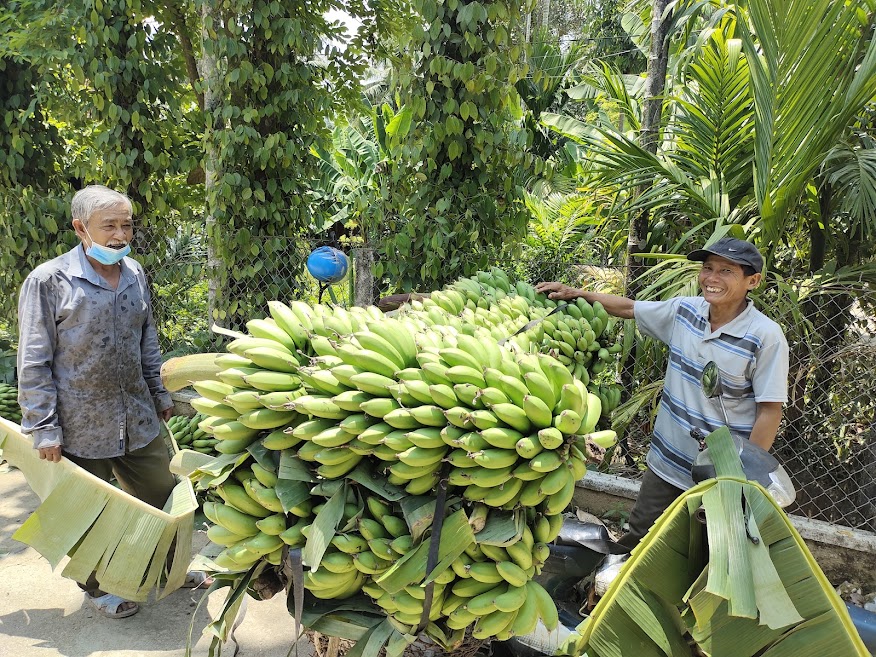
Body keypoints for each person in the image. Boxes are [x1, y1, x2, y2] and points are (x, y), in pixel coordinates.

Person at [16, 185, 209, 618]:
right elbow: (33, 361)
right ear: (81, 228)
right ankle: (100, 588)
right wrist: (44, 427)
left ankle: (165, 570)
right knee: (91, 512)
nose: (121, 235)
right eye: (110, 226)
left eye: (126, 225)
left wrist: (160, 393)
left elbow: (147, 340)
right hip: (79, 424)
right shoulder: (49, 281)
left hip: (136, 415)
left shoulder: (135, 272)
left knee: (164, 495)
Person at [536, 237, 789, 548]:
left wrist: (742, 480)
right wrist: (577, 294)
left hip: (718, 475)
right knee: (639, 540)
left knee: (703, 554)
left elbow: (769, 410)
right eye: (707, 268)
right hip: (666, 463)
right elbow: (630, 308)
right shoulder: (685, 311)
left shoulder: (765, 337)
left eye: (726, 271)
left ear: (753, 281)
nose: (711, 278)